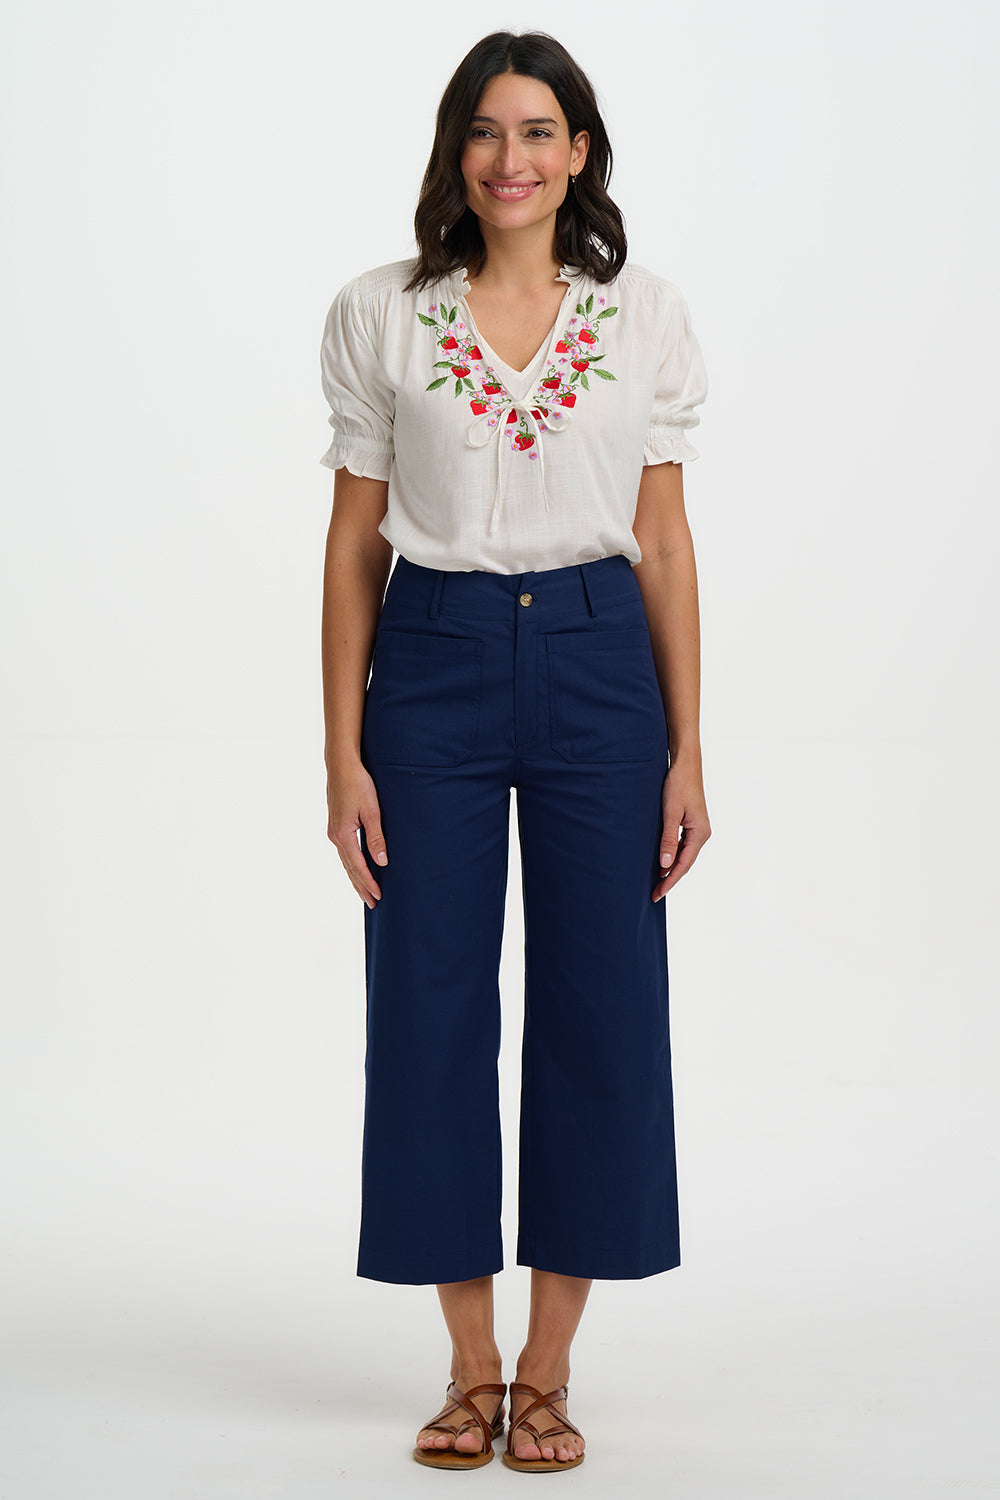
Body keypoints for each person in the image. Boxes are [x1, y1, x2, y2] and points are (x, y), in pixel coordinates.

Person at [318, 30, 710, 1472]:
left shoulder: (642, 316)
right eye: (486, 132)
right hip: (432, 663)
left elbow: (664, 537)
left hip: (604, 665)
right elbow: (353, 546)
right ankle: (468, 1364)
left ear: (580, 152)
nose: (511, 159)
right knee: (426, 1007)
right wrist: (343, 753)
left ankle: (547, 1370)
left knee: (604, 1006)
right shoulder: (385, 313)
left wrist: (688, 746)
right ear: (455, 150)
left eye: (539, 132)